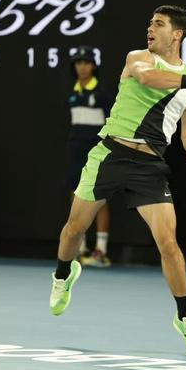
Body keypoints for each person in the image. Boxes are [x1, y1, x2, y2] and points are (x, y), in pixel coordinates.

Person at [49, 5, 186, 356]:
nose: (150, 28)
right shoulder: (139, 59)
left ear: (177, 34)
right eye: (150, 23)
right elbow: (148, 79)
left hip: (149, 167)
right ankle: (63, 275)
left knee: (168, 243)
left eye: (159, 24)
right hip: (110, 155)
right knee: (73, 229)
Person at [65, 46, 114, 268]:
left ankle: (100, 251)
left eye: (86, 62)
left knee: (99, 197)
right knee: (76, 194)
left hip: (97, 151)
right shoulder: (72, 94)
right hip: (76, 151)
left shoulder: (103, 94)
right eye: (78, 62)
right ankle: (80, 247)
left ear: (93, 66)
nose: (82, 66)